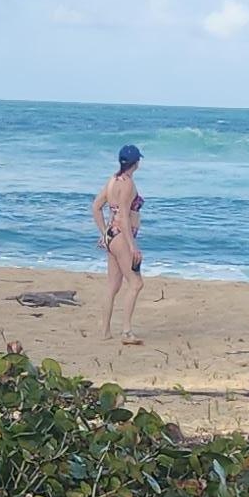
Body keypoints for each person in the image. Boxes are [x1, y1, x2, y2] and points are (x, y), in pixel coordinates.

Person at [93, 141, 145, 344]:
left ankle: (105, 331)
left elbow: (96, 207)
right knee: (136, 283)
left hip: (112, 235)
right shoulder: (128, 184)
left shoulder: (112, 180)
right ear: (136, 163)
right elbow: (124, 215)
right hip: (123, 237)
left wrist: (104, 232)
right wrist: (133, 246)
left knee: (113, 286)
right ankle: (126, 332)